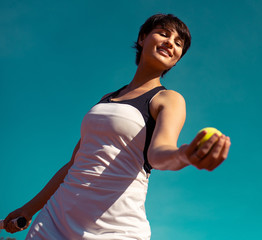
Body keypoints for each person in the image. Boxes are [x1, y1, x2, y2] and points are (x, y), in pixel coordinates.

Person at [3, 13, 231, 239]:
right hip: (53, 224)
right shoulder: (107, 98)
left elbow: (159, 154)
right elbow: (74, 163)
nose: (170, 43)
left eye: (178, 43)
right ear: (142, 38)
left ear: (177, 58)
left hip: (115, 229)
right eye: (163, 34)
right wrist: (29, 209)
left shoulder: (168, 99)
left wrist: (185, 155)